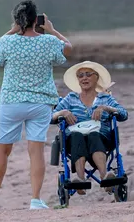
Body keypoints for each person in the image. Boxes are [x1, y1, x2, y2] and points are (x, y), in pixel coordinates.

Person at [0, 0, 72, 213]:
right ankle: (35, 200)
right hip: (40, 103)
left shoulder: (8, 42)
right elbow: (68, 48)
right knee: (36, 150)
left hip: (11, 102)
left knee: (2, 149)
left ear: (17, 20)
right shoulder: (49, 41)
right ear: (35, 20)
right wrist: (53, 30)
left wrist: (11, 31)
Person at [52, 61, 128, 189]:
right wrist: (63, 112)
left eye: (88, 74)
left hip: (101, 138)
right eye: (80, 75)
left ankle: (105, 178)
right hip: (74, 139)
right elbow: (50, 117)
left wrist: (105, 108)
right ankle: (80, 180)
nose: (84, 78)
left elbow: (123, 114)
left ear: (96, 77)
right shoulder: (70, 98)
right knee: (76, 135)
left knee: (93, 135)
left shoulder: (105, 99)